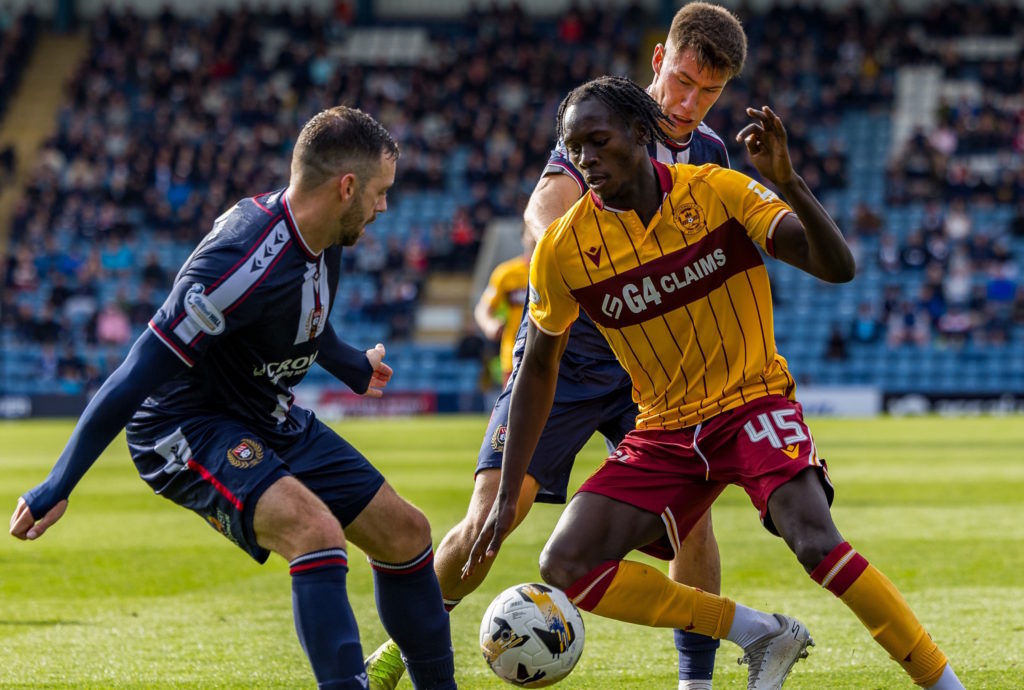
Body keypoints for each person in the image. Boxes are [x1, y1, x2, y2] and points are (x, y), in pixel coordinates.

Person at [467, 75, 966, 690]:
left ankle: (943, 683)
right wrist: (508, 488)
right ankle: (758, 631)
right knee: (566, 564)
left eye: (598, 141)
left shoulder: (716, 191)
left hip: (751, 401)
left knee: (814, 541)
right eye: (575, 148)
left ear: (641, 132)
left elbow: (837, 267)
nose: (586, 159)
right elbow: (539, 368)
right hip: (665, 429)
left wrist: (788, 182)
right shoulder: (562, 248)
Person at [9, 106, 458, 690]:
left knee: (406, 532)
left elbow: (303, 318)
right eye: (381, 192)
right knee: (314, 532)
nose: (384, 206)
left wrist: (351, 365)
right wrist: (56, 485)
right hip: (185, 425)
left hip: (265, 410)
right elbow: (135, 374)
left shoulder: (327, 232)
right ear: (347, 188)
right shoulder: (238, 264)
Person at [366, 5, 746, 689]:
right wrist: (582, 264)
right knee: (494, 515)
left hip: (653, 371)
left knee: (692, 525)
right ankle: (395, 655)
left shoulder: (713, 153)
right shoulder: (611, 124)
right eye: (683, 81)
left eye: (709, 92)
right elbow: (544, 207)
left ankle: (697, 683)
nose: (689, 103)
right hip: (566, 357)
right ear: (659, 60)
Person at [472, 228, 534, 385]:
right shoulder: (506, 273)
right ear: (523, 237)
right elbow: (483, 309)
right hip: (514, 354)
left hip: (553, 355)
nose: (535, 235)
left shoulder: (558, 270)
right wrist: (489, 324)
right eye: (530, 230)